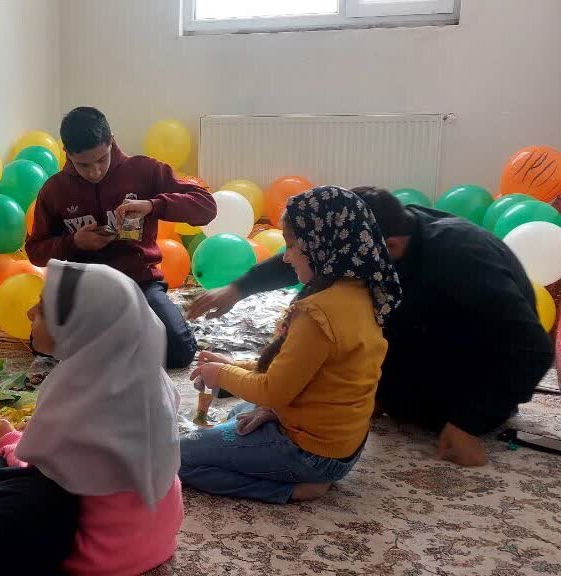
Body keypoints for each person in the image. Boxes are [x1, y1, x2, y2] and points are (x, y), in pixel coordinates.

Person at [188, 186, 555, 467]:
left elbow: (531, 349)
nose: (292, 256)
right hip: (414, 346)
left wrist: (468, 422)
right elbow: (312, 251)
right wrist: (238, 289)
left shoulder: (461, 261)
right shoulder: (370, 245)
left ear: (390, 247)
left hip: (465, 373)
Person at [180, 186, 400, 503]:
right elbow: (299, 371)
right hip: (340, 442)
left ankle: (293, 488)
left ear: (320, 243)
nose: (286, 257)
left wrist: (221, 375)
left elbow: (273, 390)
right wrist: (234, 367)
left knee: (177, 456)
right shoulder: (357, 291)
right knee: (241, 412)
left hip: (311, 453)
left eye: (293, 245)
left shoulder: (319, 312)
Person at [0, 260, 184, 576]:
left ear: (82, 326)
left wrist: (8, 441)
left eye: (43, 309)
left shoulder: (75, 396)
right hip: (158, 543)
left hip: (95, 558)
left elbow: (37, 475)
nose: (30, 313)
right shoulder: (153, 380)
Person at [26, 107, 217, 369]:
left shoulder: (145, 170)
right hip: (84, 285)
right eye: (83, 165)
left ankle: (116, 337)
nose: (95, 171)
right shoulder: (54, 190)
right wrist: (74, 243)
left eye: (101, 159)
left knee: (179, 351)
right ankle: (120, 336)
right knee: (43, 344)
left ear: (112, 141)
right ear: (66, 152)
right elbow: (35, 252)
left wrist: (152, 205)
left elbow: (206, 207)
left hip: (140, 282)